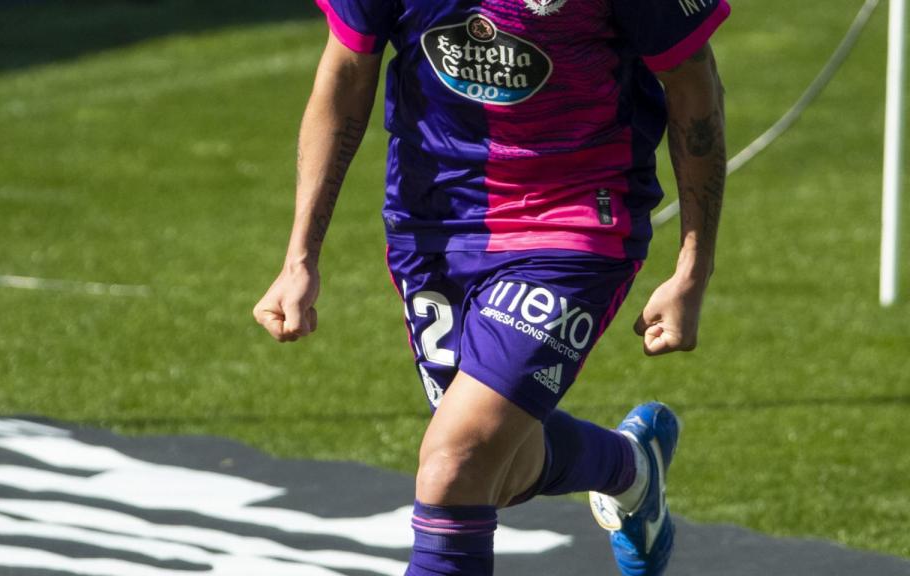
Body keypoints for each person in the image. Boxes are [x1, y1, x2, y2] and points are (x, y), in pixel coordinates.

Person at [254, 0, 728, 573]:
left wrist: (692, 271)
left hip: (573, 216)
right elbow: (346, 71)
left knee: (454, 465)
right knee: (495, 473)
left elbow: (693, 85)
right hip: (431, 224)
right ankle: (629, 466)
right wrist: (299, 256)